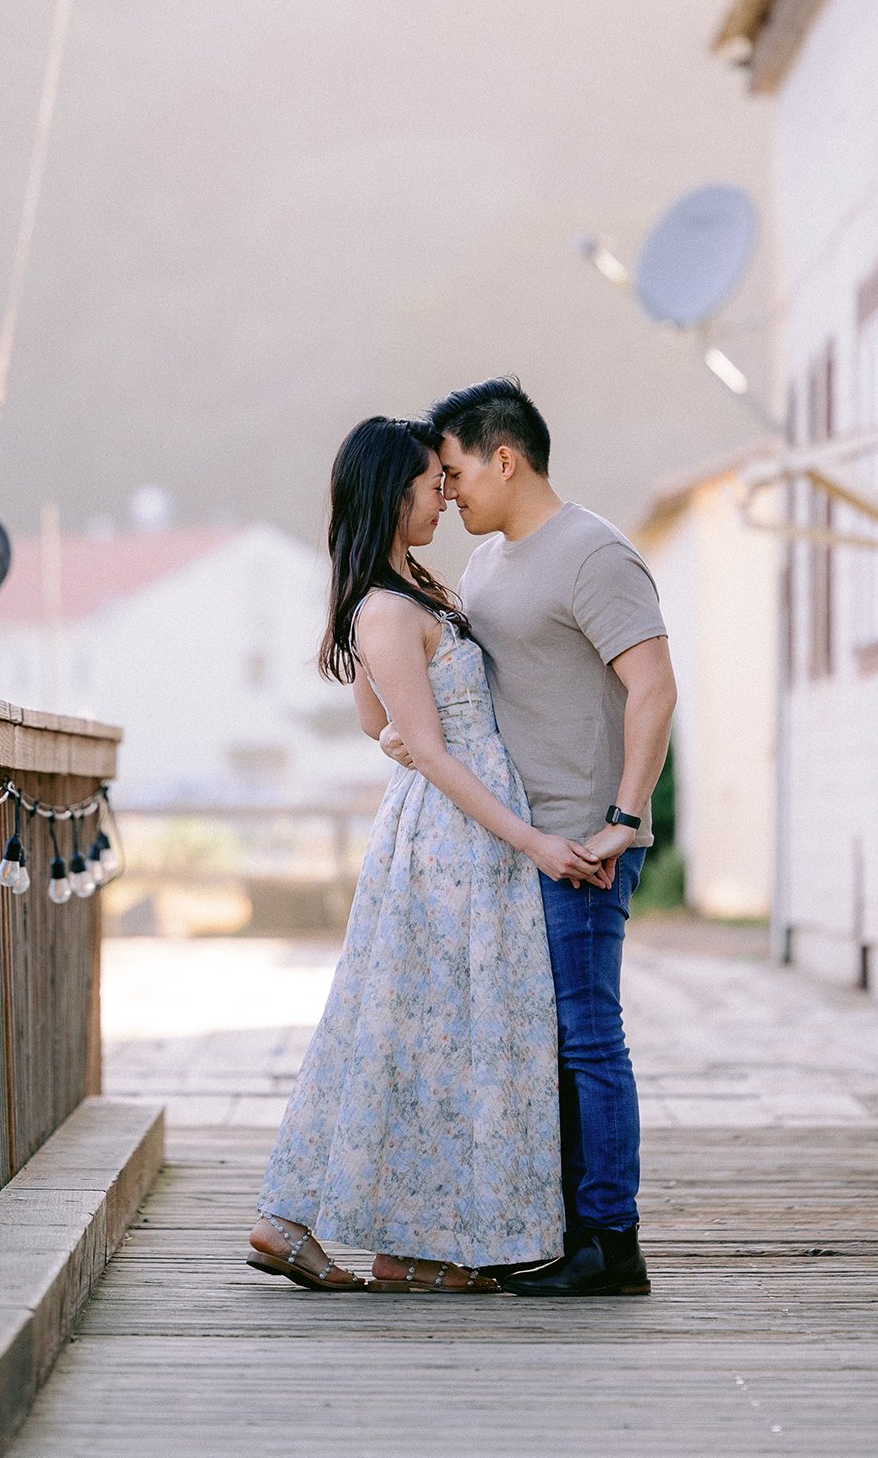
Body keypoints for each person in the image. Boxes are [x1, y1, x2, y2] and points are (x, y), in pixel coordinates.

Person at [248, 415, 607, 1295]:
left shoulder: (414, 591)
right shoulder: (384, 606)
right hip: (457, 837)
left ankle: (409, 1244)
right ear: (391, 492)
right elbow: (419, 743)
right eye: (428, 484)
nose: (443, 495)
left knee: (437, 1037)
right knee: (421, 1031)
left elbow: (385, 729)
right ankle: (298, 1221)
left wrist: (412, 743)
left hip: (465, 828)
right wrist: (532, 840)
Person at [379, 376, 676, 1297]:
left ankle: (610, 1242)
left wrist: (623, 818)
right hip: (510, 843)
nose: (450, 488)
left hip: (581, 841)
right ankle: (557, 1227)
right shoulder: (487, 566)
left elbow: (654, 686)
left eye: (458, 470)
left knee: (587, 1036)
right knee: (534, 1042)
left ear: (505, 458)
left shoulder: (594, 554)